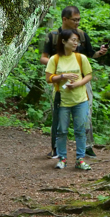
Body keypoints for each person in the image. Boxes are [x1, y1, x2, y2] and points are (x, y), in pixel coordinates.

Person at [40, 6, 107, 158]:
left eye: (79, 20)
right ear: (65, 19)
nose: (77, 22)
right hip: (60, 81)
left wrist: (100, 53)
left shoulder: (82, 36)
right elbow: (44, 57)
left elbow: (91, 55)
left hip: (82, 81)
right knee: (59, 113)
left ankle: (87, 147)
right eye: (74, 20)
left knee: (86, 113)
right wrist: (58, 65)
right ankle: (55, 148)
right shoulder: (53, 36)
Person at [45, 29, 94, 170]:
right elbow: (48, 78)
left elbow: (88, 75)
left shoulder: (81, 58)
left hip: (80, 100)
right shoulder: (55, 59)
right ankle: (62, 158)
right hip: (62, 101)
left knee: (80, 130)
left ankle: (80, 159)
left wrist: (77, 84)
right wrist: (62, 76)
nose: (75, 43)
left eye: (77, 40)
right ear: (63, 41)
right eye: (73, 40)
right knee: (62, 131)